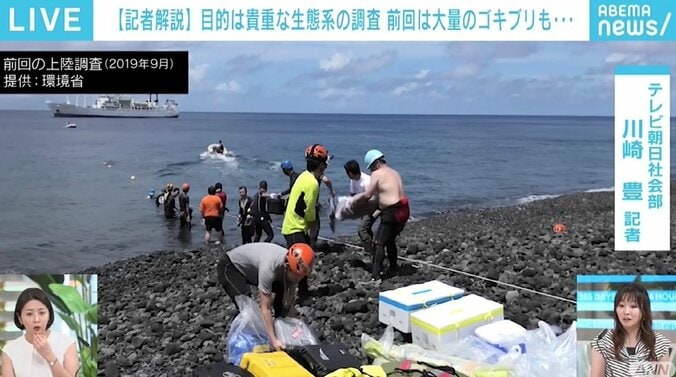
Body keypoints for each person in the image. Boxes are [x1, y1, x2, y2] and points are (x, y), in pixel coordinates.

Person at [216, 242, 315, 351]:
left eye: (302, 277)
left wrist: (293, 331)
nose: (299, 280)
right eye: (298, 276)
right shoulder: (269, 268)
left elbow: (288, 305)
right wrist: (274, 341)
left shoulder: (292, 267)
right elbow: (265, 308)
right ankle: (240, 342)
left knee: (283, 301)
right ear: (288, 267)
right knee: (246, 305)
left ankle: (279, 333)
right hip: (230, 266)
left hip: (253, 270)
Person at [590, 282, 671, 377]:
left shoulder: (659, 344)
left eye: (633, 306)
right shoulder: (602, 342)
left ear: (644, 311)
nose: (626, 312)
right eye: (621, 306)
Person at [352, 149, 409, 283]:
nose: (371, 170)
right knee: (389, 240)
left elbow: (367, 195)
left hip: (392, 211)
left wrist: (354, 202)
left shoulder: (377, 174)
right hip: (404, 209)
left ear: (376, 163)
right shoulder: (394, 172)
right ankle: (394, 268)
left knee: (379, 243)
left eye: (371, 167)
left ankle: (375, 276)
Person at [282, 144, 330, 298]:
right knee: (301, 264)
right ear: (321, 165)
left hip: (290, 224)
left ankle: (293, 294)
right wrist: (313, 226)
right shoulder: (312, 183)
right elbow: (309, 210)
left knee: (295, 263)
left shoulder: (303, 176)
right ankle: (300, 296)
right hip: (296, 227)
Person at [1, 287, 79, 377]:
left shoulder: (67, 343)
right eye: (29, 314)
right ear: (20, 318)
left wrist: (49, 355)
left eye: (42, 313)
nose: (36, 319)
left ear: (49, 315)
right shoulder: (9, 350)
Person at [344, 159, 377, 254]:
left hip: (373, 207)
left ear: (350, 173)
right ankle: (373, 248)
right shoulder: (353, 180)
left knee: (362, 229)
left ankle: (369, 251)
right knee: (367, 228)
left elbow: (370, 198)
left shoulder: (367, 181)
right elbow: (352, 194)